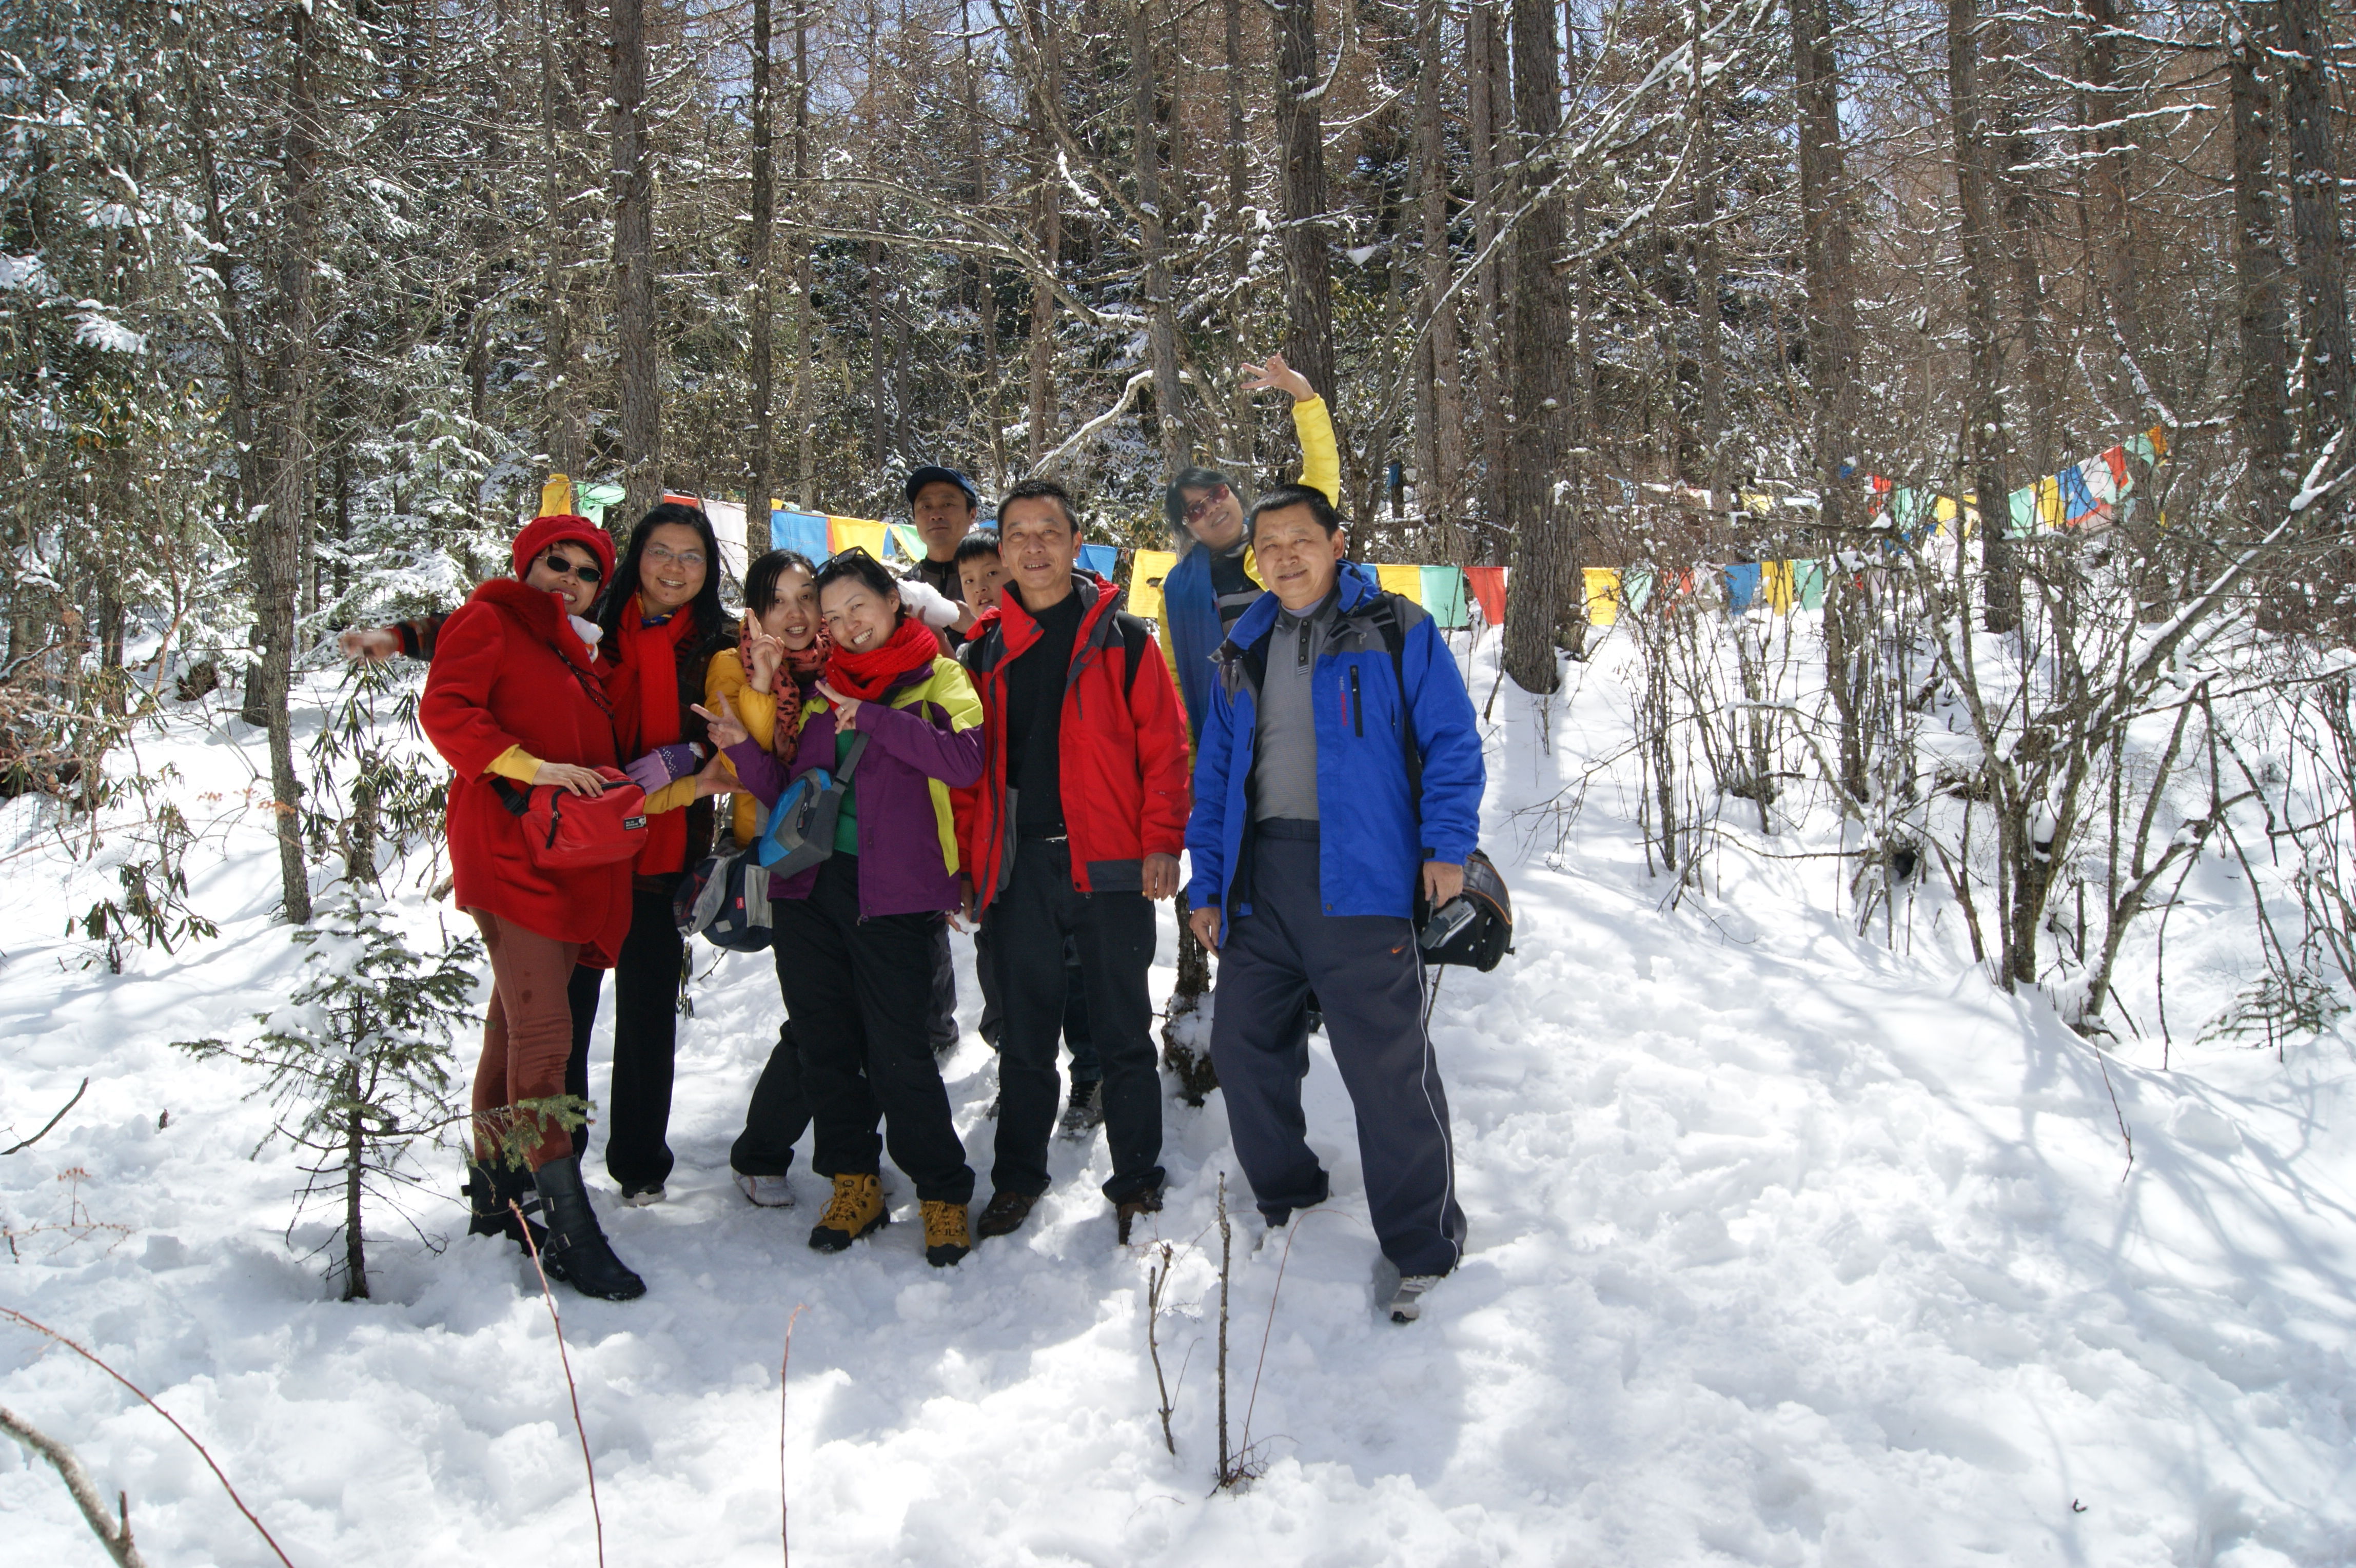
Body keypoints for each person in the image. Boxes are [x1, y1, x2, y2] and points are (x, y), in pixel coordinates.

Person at [1183, 484, 1484, 1324]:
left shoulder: (1395, 630)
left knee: (1387, 1071)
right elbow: (1213, 779)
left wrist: (1446, 848)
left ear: (1335, 542)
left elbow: (1452, 743)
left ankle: (1424, 1245)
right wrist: (1205, 882)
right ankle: (1287, 1194)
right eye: (1267, 543)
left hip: (1363, 876)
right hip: (1260, 881)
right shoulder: (1241, 646)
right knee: (1242, 1047)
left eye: (1299, 538)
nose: (1283, 554)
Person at [703, 549, 985, 1267]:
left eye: (856, 606)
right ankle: (852, 1182)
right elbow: (798, 791)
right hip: (810, 893)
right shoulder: (821, 691)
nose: (845, 625)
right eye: (831, 616)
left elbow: (968, 760)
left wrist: (880, 720)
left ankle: (942, 1193)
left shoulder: (941, 678)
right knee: (826, 1049)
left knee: (901, 1056)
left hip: (895, 898)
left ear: (894, 600)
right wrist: (744, 751)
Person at [956, 479, 1191, 1244]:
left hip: (1113, 865)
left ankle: (1136, 1184)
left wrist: (1162, 842)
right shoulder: (983, 651)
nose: (1033, 546)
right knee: (1025, 1040)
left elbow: (1166, 751)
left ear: (1075, 541)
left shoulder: (1123, 640)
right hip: (1019, 869)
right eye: (1017, 533)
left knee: (1123, 1035)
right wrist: (968, 866)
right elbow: (965, 774)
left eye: (1048, 531)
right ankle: (1018, 1180)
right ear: (1002, 550)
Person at [418, 513, 645, 1301]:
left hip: (559, 856)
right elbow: (446, 711)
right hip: (508, 846)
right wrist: (533, 767)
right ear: (526, 563)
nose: (572, 580)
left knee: (511, 1030)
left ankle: (495, 1198)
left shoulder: (575, 651)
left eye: (589, 573)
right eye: (558, 562)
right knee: (547, 1035)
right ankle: (573, 1233)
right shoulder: (490, 619)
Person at [594, 502, 740, 1206]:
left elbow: (744, 718)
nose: (675, 568)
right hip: (581, 849)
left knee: (649, 1013)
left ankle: (640, 1163)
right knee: (561, 1012)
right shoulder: (592, 631)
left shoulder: (720, 640)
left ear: (709, 568)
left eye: (692, 556)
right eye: (662, 551)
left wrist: (688, 755)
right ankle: (549, 1158)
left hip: (667, 848)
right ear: (636, 556)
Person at [708, 549, 853, 1208]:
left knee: (860, 1012)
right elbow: (753, 761)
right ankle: (762, 1150)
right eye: (778, 601)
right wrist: (763, 682)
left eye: (806, 597)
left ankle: (852, 1151)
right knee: (818, 1017)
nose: (795, 615)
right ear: (755, 611)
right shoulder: (728, 665)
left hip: (856, 859)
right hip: (785, 857)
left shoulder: (844, 655)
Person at [956, 531, 1102, 1124]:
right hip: (1003, 843)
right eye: (969, 581)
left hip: (1073, 837)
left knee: (1078, 972)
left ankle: (1089, 1076)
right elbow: (963, 776)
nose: (982, 589)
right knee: (1007, 971)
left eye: (992, 574)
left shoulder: (1080, 636)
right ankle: (1020, 1072)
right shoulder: (971, 656)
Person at [1160, 353, 1342, 738]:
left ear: (1233, 493)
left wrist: (1303, 395)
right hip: (1232, 737)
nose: (1212, 508)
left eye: (1217, 493)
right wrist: (1194, 769)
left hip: (1316, 718)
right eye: (1195, 509)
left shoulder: (1278, 542)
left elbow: (1322, 478)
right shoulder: (1178, 591)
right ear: (1187, 528)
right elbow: (1178, 687)